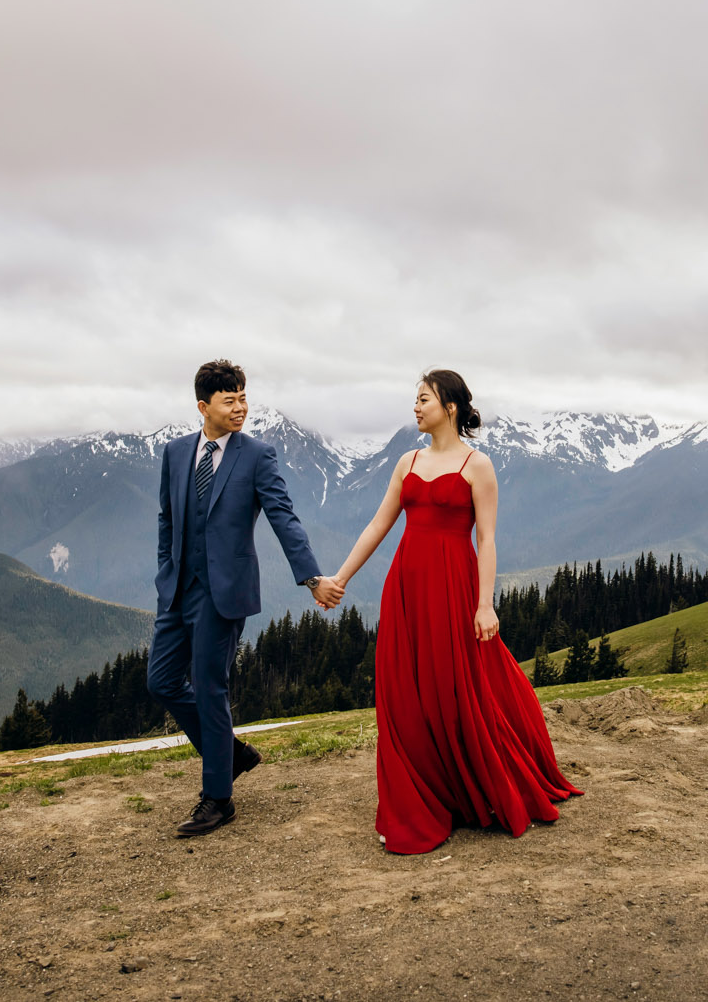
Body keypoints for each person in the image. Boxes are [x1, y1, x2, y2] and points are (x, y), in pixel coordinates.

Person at [327, 369, 580, 853]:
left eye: (423, 399)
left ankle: (470, 788)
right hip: (406, 587)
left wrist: (485, 604)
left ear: (450, 407)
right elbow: (379, 525)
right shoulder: (407, 461)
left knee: (457, 688)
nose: (415, 408)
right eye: (415, 400)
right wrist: (341, 578)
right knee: (406, 694)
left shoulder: (477, 465)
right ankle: (421, 794)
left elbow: (486, 539)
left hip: (454, 586)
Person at [149, 359, 343, 836]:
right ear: (203, 406)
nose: (240, 408)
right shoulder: (175, 453)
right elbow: (166, 519)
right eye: (229, 400)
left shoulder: (257, 455)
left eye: (242, 397)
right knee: (161, 681)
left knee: (211, 687)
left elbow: (283, 517)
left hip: (224, 594)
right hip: (177, 591)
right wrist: (164, 573)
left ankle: (218, 798)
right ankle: (230, 754)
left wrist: (311, 577)